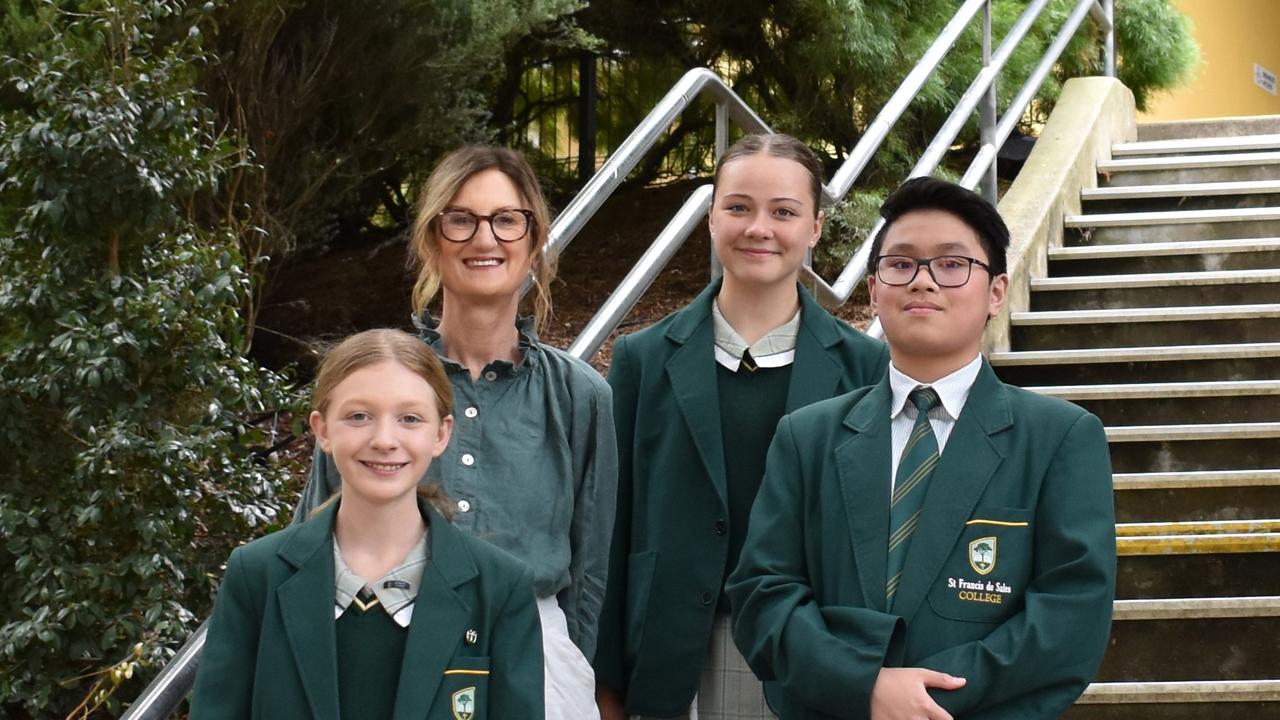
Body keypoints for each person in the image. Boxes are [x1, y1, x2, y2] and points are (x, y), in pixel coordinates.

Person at [726, 177, 1116, 719]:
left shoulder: (1059, 437)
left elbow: (1070, 614)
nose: (924, 282)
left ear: (997, 291)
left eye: (954, 265)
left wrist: (927, 699)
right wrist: (865, 687)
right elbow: (763, 594)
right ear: (873, 291)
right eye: (901, 264)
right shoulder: (807, 437)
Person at [293, 146, 617, 720]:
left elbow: (591, 571)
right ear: (430, 239)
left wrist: (572, 671)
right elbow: (314, 538)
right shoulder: (371, 380)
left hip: (533, 657)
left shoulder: (578, 395)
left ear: (535, 240)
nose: (484, 239)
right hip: (382, 645)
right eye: (460, 219)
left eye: (506, 220)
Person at [594, 133, 890, 720]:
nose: (759, 227)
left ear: (815, 229)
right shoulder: (642, 360)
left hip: (812, 648)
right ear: (710, 219)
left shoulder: (868, 368)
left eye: (784, 212)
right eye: (738, 207)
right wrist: (605, 681)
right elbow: (613, 525)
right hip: (669, 652)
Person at [191, 329, 544, 719]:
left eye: (410, 418)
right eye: (359, 416)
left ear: (442, 433)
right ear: (322, 429)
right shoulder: (258, 575)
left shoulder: (499, 587)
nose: (384, 439)